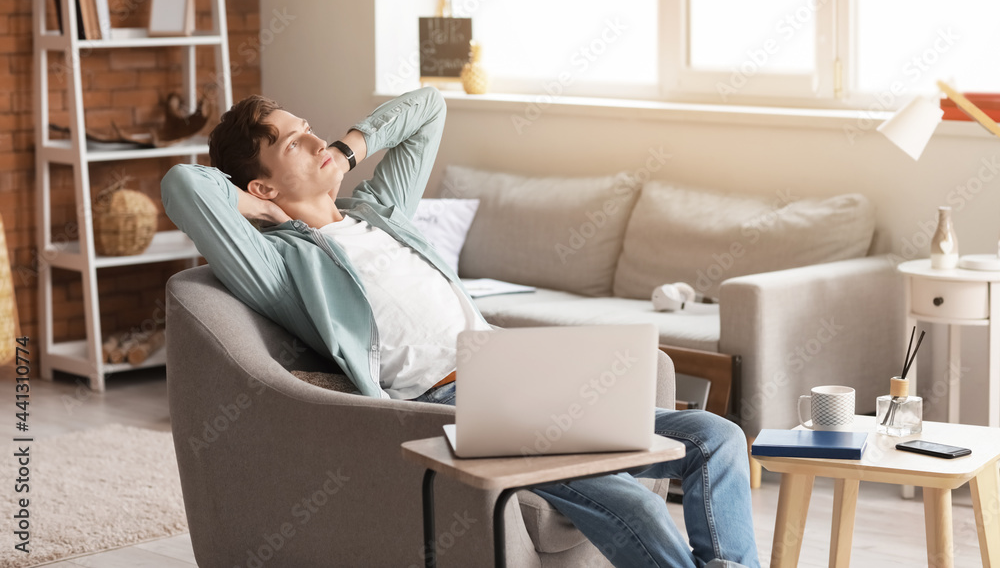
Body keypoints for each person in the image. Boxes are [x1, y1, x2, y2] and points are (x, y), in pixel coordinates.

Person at [161, 86, 760, 568]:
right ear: (262, 184)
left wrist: (344, 151)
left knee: (718, 439)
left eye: (310, 128)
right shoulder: (282, 263)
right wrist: (263, 209)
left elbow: (428, 107)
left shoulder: (381, 211)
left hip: (525, 375)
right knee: (639, 508)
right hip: (458, 404)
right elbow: (184, 186)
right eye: (296, 143)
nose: (317, 139)